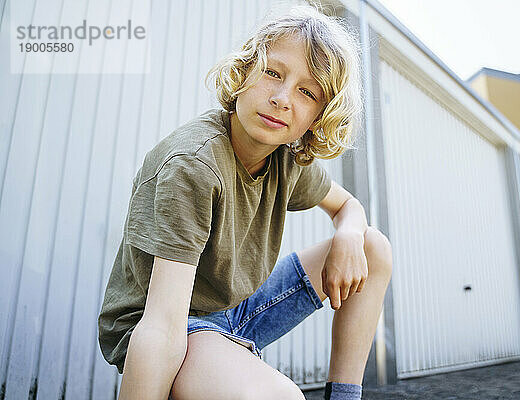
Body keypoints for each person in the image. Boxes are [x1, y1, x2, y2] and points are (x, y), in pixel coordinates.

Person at [98, 4, 392, 400]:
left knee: (373, 247)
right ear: (244, 72)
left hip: (236, 312)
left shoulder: (284, 157)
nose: (282, 98)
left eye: (307, 92)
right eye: (273, 72)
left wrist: (349, 234)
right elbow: (161, 327)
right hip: (171, 321)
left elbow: (348, 206)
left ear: (317, 117)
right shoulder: (194, 166)